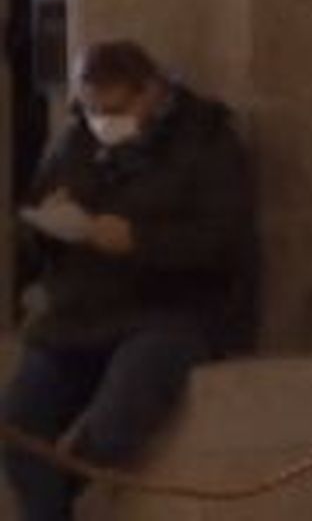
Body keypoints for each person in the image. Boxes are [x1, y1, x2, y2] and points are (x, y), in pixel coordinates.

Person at [1, 40, 257, 520]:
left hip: (170, 309)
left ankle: (63, 488)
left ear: (151, 93)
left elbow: (223, 243)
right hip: (80, 311)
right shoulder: (76, 140)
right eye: (92, 109)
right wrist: (51, 229)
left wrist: (138, 241)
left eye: (113, 109)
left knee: (121, 411)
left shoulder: (208, 141)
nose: (101, 122)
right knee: (18, 423)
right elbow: (32, 232)